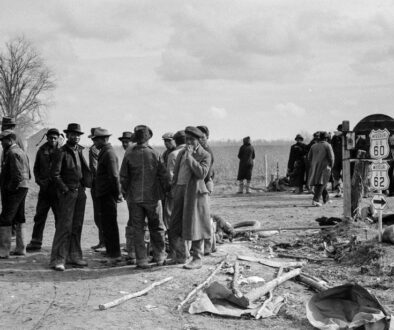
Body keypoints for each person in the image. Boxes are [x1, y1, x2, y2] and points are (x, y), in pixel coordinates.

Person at [120, 125, 169, 268]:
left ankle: (141, 260)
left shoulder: (129, 154)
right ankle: (160, 257)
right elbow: (164, 175)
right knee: (157, 227)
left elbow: (123, 177)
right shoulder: (155, 154)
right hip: (153, 198)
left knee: (138, 229)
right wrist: (166, 190)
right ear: (148, 138)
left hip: (134, 198)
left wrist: (125, 193)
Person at [50, 123, 91, 271]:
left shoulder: (79, 151)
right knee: (64, 226)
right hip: (68, 193)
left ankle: (75, 256)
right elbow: (55, 174)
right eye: (73, 134)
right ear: (67, 135)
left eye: (78, 134)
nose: (76, 137)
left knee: (77, 225)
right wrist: (65, 190)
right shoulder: (61, 152)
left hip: (80, 192)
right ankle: (58, 259)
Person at [169, 126, 211, 269]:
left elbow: (202, 174)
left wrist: (190, 158)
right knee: (176, 224)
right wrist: (174, 187)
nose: (189, 142)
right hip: (180, 190)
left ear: (198, 140)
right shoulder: (181, 153)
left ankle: (197, 258)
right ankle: (180, 256)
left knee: (195, 225)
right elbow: (175, 172)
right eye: (187, 139)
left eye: (192, 139)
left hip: (195, 194)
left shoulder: (204, 154)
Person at [26, 128, 61, 252]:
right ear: (47, 138)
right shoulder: (41, 150)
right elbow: (36, 169)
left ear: (58, 138)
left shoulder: (62, 151)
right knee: (40, 216)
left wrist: (61, 185)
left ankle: (60, 244)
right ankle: (36, 242)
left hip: (58, 191)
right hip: (45, 191)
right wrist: (40, 182)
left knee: (60, 217)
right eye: (50, 137)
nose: (52, 140)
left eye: (55, 138)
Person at [92, 128, 123, 264]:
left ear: (103, 139)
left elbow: (114, 176)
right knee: (106, 224)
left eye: (95, 139)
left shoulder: (109, 153)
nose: (93, 142)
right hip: (104, 194)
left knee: (110, 224)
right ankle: (111, 252)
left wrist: (117, 194)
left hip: (108, 194)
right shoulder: (105, 152)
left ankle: (115, 254)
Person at [0, 130, 30, 258]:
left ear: (10, 140)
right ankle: (21, 248)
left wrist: (9, 189)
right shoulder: (21, 151)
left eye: (3, 140)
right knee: (19, 217)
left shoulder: (12, 153)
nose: (1, 143)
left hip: (15, 190)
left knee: (5, 218)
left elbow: (17, 176)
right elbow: (27, 174)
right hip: (23, 188)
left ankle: (3, 251)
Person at [197, 125, 216, 255]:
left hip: (204, 184)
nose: (201, 140)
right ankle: (208, 245)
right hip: (203, 183)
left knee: (205, 217)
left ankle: (209, 246)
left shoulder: (206, 151)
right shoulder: (199, 150)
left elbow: (206, 174)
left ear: (207, 137)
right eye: (198, 137)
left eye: (203, 137)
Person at [308, 132, 335, 207]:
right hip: (324, 167)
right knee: (322, 183)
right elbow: (332, 158)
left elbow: (309, 157)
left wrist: (313, 164)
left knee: (321, 182)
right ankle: (315, 200)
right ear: (326, 138)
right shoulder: (327, 145)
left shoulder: (313, 146)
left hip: (315, 167)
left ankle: (326, 199)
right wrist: (331, 166)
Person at [88, 128, 104, 250]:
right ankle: (103, 241)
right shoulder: (106, 149)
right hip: (102, 184)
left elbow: (94, 168)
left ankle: (103, 242)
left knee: (99, 215)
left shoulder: (94, 149)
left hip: (98, 185)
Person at [161, 132, 175, 230]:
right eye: (165, 141)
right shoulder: (165, 154)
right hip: (166, 187)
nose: (166, 143)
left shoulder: (177, 152)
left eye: (169, 141)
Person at [331, 124, 343, 197]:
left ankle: (346, 191)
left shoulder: (348, 136)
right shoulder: (335, 138)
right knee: (336, 176)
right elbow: (332, 147)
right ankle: (338, 191)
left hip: (345, 159)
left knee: (346, 175)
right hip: (336, 158)